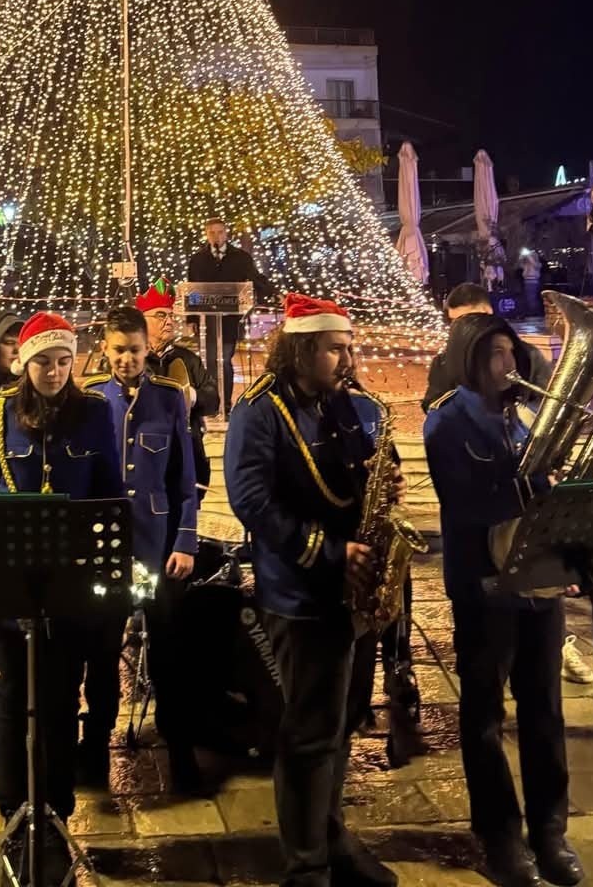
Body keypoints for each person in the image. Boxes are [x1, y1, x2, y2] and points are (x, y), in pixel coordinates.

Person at [225, 292, 400, 887]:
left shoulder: (345, 404)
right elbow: (251, 501)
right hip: (299, 592)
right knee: (307, 733)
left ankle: (332, 838)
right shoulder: (259, 410)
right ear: (302, 349)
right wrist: (326, 553)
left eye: (348, 347)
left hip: (353, 591)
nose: (346, 358)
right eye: (335, 348)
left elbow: (369, 471)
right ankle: (306, 867)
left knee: (344, 720)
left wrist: (386, 475)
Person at [0, 312, 123, 877]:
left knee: (59, 696)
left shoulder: (95, 413)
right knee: (13, 697)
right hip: (11, 580)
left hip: (69, 584)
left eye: (62, 360)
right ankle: (14, 807)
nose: (53, 371)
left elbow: (108, 492)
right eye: (43, 361)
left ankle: (56, 807)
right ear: (24, 364)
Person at [424, 316, 582, 887]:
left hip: (535, 585)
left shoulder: (526, 415)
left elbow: (549, 498)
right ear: (471, 359)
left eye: (510, 352)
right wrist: (531, 488)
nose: (509, 364)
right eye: (495, 354)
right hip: (482, 586)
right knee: (485, 717)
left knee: (545, 712)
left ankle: (550, 830)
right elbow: (465, 504)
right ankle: (499, 835)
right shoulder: (445, 421)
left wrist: (562, 548)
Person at [82, 305, 201, 794]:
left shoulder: (170, 398)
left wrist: (186, 540)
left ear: (147, 348)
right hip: (107, 547)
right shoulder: (90, 398)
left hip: (158, 545)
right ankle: (93, 750)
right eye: (118, 351)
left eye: (134, 350)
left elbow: (184, 479)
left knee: (171, 654)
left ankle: (182, 751)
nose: (126, 359)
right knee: (101, 651)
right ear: (105, 350)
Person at [137, 277, 219, 502]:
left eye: (171, 315)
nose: (169, 321)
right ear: (142, 322)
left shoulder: (188, 358)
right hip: (146, 459)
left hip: (187, 455)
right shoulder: (134, 359)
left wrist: (190, 395)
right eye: (160, 315)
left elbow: (213, 401)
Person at [420, 283, 552, 413]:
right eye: (455, 322)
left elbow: (547, 402)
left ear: (488, 313)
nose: (461, 328)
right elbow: (432, 405)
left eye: (470, 319)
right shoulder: (443, 362)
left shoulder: (528, 355)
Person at [187, 217, 275, 407]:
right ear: (206, 234)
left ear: (226, 234)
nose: (216, 236)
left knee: (225, 358)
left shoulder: (240, 257)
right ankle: (211, 401)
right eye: (212, 233)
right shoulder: (198, 259)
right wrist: (192, 318)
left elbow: (255, 279)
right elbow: (192, 290)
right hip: (208, 320)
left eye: (220, 232)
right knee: (210, 360)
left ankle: (225, 401)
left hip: (231, 319)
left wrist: (273, 293)